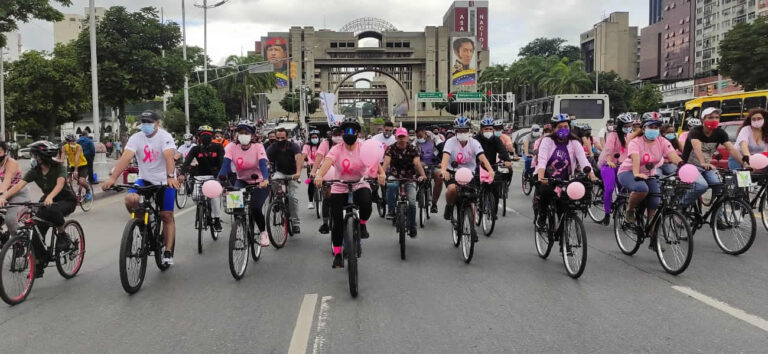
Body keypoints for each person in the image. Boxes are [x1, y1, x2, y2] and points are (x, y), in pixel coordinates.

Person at [103, 111, 180, 265]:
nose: (146, 125)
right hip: (144, 179)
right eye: (143, 122)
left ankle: (168, 251)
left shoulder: (165, 137)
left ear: (157, 123)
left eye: (149, 122)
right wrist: (113, 178)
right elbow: (126, 158)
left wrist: (170, 176)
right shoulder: (136, 138)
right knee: (130, 199)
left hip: (165, 181)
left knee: (166, 216)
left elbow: (169, 157)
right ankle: (143, 223)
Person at [315, 118, 386, 268]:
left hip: (360, 183)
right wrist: (319, 175)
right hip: (339, 186)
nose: (349, 133)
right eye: (346, 131)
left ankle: (362, 224)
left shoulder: (363, 147)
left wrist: (381, 174)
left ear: (357, 133)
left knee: (367, 203)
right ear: (342, 133)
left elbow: (374, 161)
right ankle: (338, 254)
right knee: (337, 222)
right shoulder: (336, 149)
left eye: (352, 130)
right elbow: (327, 163)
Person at [0, 141, 78, 277]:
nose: (33, 158)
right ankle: (40, 261)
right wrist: (4, 196)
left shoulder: (59, 167)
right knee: (35, 229)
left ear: (42, 157)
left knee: (52, 209)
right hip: (48, 200)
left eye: (35, 155)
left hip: (66, 200)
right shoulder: (35, 171)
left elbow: (60, 184)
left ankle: (62, 235)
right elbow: (19, 185)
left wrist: (51, 197)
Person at [617, 114, 683, 224]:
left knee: (655, 200)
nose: (654, 130)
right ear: (643, 128)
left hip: (649, 174)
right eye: (651, 127)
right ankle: (630, 210)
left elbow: (672, 155)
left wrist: (682, 164)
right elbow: (636, 159)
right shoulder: (635, 142)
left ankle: (651, 231)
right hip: (628, 172)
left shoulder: (662, 141)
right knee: (642, 188)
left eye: (656, 128)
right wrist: (637, 173)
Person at [535, 115, 597, 228]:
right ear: (554, 128)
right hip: (547, 177)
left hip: (565, 179)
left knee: (564, 206)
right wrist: (541, 178)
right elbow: (542, 160)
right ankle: (542, 216)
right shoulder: (547, 141)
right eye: (560, 127)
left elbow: (583, 161)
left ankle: (563, 238)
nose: (564, 129)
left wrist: (592, 176)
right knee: (545, 192)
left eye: (566, 126)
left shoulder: (574, 142)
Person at [218, 120, 271, 247]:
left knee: (255, 207)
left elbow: (263, 164)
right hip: (242, 180)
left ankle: (263, 232)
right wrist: (218, 181)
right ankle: (239, 226)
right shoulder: (231, 147)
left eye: (246, 132)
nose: (243, 135)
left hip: (259, 181)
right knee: (235, 205)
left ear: (252, 135)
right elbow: (225, 165)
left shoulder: (258, 146)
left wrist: (265, 179)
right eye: (240, 132)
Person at [680, 107, 748, 206]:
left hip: (706, 167)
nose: (714, 120)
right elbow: (696, 147)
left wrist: (744, 163)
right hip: (689, 167)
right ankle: (681, 206)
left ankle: (717, 217)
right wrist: (702, 162)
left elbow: (732, 149)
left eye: (717, 117)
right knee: (701, 186)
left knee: (719, 186)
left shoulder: (720, 133)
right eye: (710, 117)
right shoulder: (695, 131)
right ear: (703, 119)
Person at [440, 116, 496, 221]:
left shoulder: (474, 143)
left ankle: (472, 225)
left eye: (465, 130)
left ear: (469, 131)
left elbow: (482, 157)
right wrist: (443, 170)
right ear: (455, 131)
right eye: (460, 131)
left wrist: (490, 170)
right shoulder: (450, 142)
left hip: (470, 174)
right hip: (452, 172)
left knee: (473, 196)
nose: (462, 133)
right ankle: (449, 206)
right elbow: (445, 157)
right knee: (452, 189)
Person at [383, 127, 427, 237]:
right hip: (395, 175)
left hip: (410, 177)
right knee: (391, 186)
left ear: (407, 137)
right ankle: (391, 210)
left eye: (403, 137)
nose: (401, 139)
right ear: (396, 137)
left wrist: (422, 175)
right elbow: (386, 163)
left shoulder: (413, 148)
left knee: (412, 202)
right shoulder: (390, 148)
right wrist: (382, 174)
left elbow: (417, 163)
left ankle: (412, 226)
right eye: (399, 137)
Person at [180, 126, 225, 232]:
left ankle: (217, 220)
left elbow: (222, 162)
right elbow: (187, 162)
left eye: (208, 135)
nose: (205, 137)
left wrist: (221, 175)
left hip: (214, 177)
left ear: (212, 137)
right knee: (195, 196)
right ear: (199, 137)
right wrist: (182, 173)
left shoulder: (218, 147)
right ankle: (202, 209)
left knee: (214, 197)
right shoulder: (195, 149)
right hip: (199, 176)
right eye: (203, 135)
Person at [596, 113, 639, 222]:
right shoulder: (613, 135)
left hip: (622, 166)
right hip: (608, 165)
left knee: (624, 190)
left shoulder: (630, 135)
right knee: (609, 188)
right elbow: (608, 149)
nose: (628, 127)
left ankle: (619, 207)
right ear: (620, 125)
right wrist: (609, 161)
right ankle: (606, 214)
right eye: (626, 125)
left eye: (630, 125)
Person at [266, 128, 303, 234]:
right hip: (280, 172)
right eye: (278, 138)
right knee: (274, 180)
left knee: (293, 198)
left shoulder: (294, 146)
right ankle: (277, 199)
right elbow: (266, 161)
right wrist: (266, 173)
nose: (280, 140)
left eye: (283, 138)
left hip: (293, 173)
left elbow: (299, 158)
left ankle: (295, 223)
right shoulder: (272, 147)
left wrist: (298, 172)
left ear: (287, 137)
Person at [475, 117, 514, 216]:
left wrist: (507, 161)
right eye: (486, 129)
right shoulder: (475, 139)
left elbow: (502, 151)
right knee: (475, 187)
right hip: (478, 166)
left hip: (492, 166)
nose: (488, 131)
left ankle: (493, 212)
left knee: (495, 188)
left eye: (490, 129)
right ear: (481, 129)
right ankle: (477, 202)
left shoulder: (496, 139)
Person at [312, 126, 343, 234]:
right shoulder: (325, 144)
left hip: (344, 173)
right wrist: (314, 172)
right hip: (327, 173)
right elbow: (319, 157)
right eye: (336, 134)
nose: (338, 137)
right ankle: (325, 222)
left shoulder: (348, 143)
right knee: (328, 197)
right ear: (331, 135)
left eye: (340, 134)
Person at [0, 141, 29, 237]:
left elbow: (7, 180)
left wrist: (1, 195)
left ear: (5, 152)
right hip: (3, 193)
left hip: (18, 193)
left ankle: (19, 243)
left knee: (10, 219)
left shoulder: (11, 163)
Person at [415, 126, 443, 213]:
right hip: (421, 165)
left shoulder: (434, 139)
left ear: (425, 133)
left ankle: (434, 203)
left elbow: (443, 150)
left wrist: (441, 162)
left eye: (421, 136)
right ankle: (418, 190)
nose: (420, 138)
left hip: (434, 164)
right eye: (418, 137)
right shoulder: (415, 143)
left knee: (440, 177)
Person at [60, 134, 91, 200]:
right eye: (72, 141)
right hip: (72, 165)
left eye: (74, 141)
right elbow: (62, 159)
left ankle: (88, 190)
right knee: (68, 181)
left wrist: (76, 170)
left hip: (82, 165)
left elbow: (76, 159)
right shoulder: (64, 147)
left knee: (81, 181)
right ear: (68, 142)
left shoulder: (78, 147)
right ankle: (73, 195)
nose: (74, 142)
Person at [302, 130, 322, 209]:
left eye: (316, 137)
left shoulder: (321, 145)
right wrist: (310, 163)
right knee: (310, 183)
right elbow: (305, 155)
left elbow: (325, 155)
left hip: (321, 166)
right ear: (310, 138)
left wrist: (321, 164)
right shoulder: (306, 146)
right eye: (313, 137)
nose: (314, 139)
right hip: (311, 166)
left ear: (318, 138)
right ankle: (310, 201)